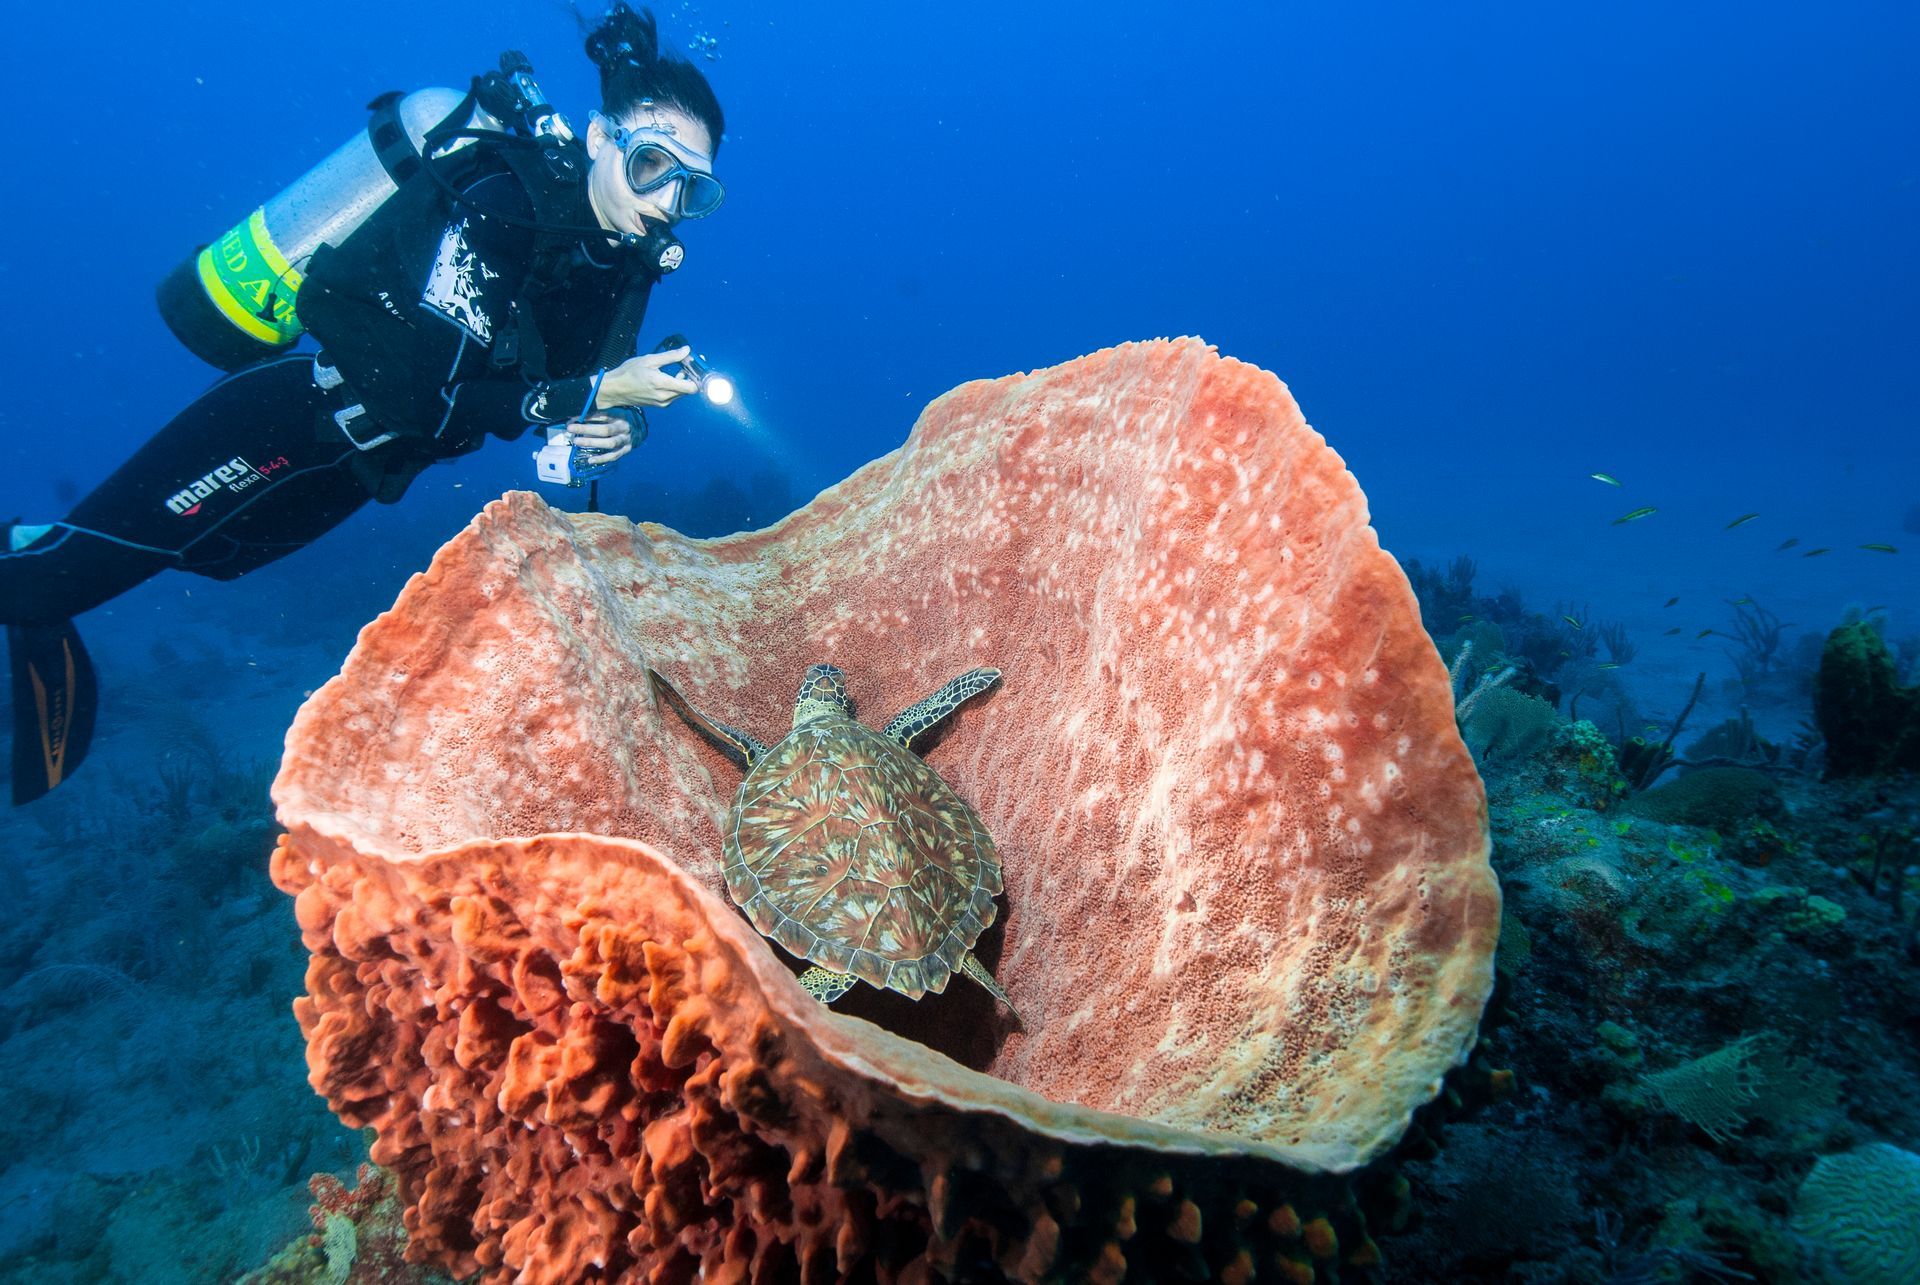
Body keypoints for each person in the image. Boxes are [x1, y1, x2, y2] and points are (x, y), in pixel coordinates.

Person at [0, 4, 724, 803]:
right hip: (291, 419)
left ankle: (38, 549)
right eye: (653, 166)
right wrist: (589, 391)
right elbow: (431, 399)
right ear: (598, 139)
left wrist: (617, 421)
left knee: (212, 557)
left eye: (694, 191)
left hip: (354, 470)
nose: (666, 202)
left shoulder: (617, 266)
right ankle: (38, 575)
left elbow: (547, 395)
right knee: (53, 582)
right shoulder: (499, 200)